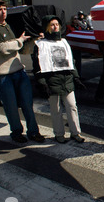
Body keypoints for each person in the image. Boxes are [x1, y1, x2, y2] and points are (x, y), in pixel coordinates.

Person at [0, 0, 45, 143]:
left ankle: (33, 132)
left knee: (27, 105)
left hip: (19, 72)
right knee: (11, 107)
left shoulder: (8, 26)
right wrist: (19, 41)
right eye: (0, 9)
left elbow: (18, 47)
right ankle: (16, 132)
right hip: (3, 75)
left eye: (5, 9)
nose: (3, 12)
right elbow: (2, 48)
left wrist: (34, 39)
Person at [33, 15, 86, 144]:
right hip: (51, 80)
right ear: (46, 27)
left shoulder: (64, 42)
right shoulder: (40, 44)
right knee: (56, 110)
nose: (55, 26)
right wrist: (42, 83)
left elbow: (70, 61)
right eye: (52, 24)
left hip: (66, 79)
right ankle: (59, 134)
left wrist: (76, 77)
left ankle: (75, 133)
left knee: (72, 107)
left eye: (57, 24)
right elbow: (37, 65)